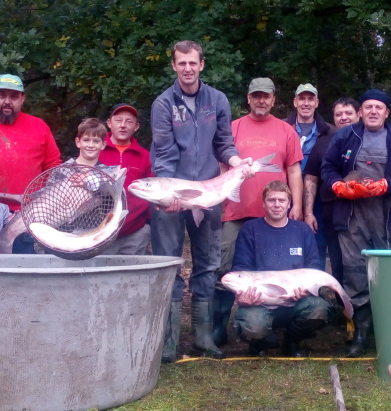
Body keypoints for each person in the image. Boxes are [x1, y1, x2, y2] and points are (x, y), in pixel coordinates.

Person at [150, 40, 248, 361]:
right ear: (174, 66)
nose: (188, 68)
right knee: (168, 264)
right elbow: (164, 153)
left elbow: (224, 143)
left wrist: (236, 163)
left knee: (207, 263)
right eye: (182, 63)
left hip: (208, 194)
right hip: (172, 196)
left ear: (202, 64)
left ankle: (203, 339)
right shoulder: (163, 104)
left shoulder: (217, 99)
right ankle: (168, 342)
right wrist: (169, 195)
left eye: (193, 62)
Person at [321, 89, 391, 356]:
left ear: (387, 112)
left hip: (389, 216)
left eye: (379, 107)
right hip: (352, 216)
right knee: (355, 274)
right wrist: (338, 185)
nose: (373, 111)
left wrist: (388, 184)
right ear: (360, 112)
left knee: (390, 276)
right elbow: (328, 167)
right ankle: (360, 335)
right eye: (368, 107)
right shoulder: (345, 136)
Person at [213, 78, 304, 348]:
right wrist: (221, 203)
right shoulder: (233, 128)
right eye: (256, 96)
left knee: (272, 269)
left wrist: (297, 205)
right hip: (236, 212)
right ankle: (219, 327)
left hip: (275, 217)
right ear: (248, 99)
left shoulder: (286, 130)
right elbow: (222, 168)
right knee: (225, 269)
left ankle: (269, 325)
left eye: (266, 96)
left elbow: (294, 170)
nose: (261, 100)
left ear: (273, 99)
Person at [230, 180, 333, 357]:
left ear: (289, 203)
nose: (277, 204)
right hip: (261, 301)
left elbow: (314, 267)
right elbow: (241, 268)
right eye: (271, 200)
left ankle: (292, 341)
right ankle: (259, 342)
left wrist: (306, 290)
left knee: (319, 308)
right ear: (263, 203)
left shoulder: (302, 230)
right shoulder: (250, 229)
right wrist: (243, 295)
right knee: (252, 325)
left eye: (282, 200)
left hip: (295, 299)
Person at [0, 73, 61, 254]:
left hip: (26, 217)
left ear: (22, 98)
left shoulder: (39, 126)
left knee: (25, 267)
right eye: (2, 95)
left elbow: (53, 167)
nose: (7, 101)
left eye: (14, 97)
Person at [303, 98, 355, 283]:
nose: (344, 117)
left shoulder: (369, 138)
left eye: (348, 113)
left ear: (359, 114)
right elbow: (311, 177)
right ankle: (341, 299)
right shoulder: (323, 142)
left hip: (363, 207)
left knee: (360, 259)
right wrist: (308, 212)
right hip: (332, 209)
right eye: (339, 114)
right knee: (337, 259)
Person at [285, 84, 333, 270]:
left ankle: (316, 280)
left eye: (310, 99)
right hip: (286, 192)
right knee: (288, 237)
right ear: (295, 102)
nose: (306, 103)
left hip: (318, 194)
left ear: (317, 103)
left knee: (316, 239)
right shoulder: (282, 127)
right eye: (302, 99)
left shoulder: (330, 132)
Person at [98, 103, 153, 255]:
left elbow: (153, 191)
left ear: (136, 127)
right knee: (102, 270)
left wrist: (148, 223)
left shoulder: (145, 156)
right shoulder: (96, 150)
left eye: (129, 122)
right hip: (101, 231)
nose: (123, 125)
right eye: (118, 120)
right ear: (109, 123)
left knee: (133, 270)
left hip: (136, 231)